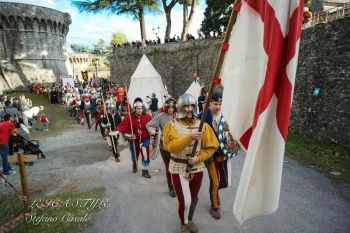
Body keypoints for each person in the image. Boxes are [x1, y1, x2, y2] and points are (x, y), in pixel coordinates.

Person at [162, 93, 218, 233]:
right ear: (180, 107)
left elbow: (211, 146)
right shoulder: (171, 125)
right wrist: (189, 137)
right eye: (186, 106)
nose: (189, 109)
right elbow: (171, 147)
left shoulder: (202, 126)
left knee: (193, 198)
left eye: (192, 105)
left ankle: (190, 219)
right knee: (184, 201)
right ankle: (184, 223)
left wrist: (199, 158)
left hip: (197, 167)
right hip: (179, 167)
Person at [197, 91, 232, 219]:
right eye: (215, 103)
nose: (218, 106)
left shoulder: (227, 116)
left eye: (220, 103)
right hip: (209, 154)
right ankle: (215, 206)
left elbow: (231, 136)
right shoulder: (201, 116)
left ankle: (215, 194)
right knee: (215, 181)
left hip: (223, 154)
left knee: (224, 182)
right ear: (209, 103)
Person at [146, 96, 177, 197]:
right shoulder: (160, 116)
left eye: (173, 107)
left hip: (177, 146)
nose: (171, 110)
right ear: (166, 107)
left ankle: (177, 184)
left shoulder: (179, 116)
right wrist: (153, 131)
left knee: (177, 166)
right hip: (164, 146)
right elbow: (149, 125)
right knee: (169, 167)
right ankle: (170, 187)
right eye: (169, 107)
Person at [117, 98, 153, 178]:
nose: (139, 110)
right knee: (134, 155)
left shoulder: (147, 117)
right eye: (138, 108)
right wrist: (129, 136)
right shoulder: (129, 117)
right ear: (135, 109)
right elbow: (122, 128)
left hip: (145, 140)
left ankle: (145, 170)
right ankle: (134, 164)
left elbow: (153, 126)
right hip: (134, 141)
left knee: (145, 155)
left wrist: (152, 130)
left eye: (140, 108)